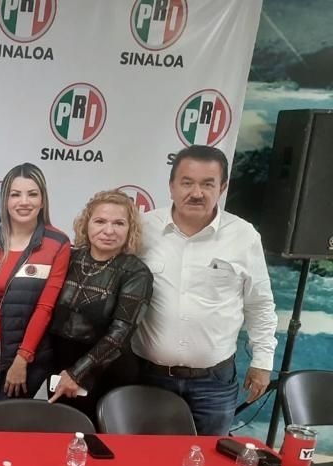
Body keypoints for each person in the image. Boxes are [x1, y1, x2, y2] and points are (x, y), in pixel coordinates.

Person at [132, 145, 277, 436]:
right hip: (147, 376)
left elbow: (259, 304)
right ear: (171, 186)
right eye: (187, 182)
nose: (196, 193)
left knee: (209, 458)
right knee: (145, 458)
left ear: (222, 188)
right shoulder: (143, 229)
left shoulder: (243, 236)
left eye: (208, 184)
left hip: (214, 384)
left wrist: (262, 362)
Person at [46, 190, 153, 422]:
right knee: (59, 432)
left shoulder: (136, 272)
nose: (109, 230)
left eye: (119, 223)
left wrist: (77, 373)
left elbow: (120, 334)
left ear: (130, 229)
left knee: (97, 438)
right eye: (100, 221)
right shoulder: (68, 258)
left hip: (106, 373)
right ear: (86, 224)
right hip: (60, 368)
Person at [0, 163, 70, 403]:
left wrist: (22, 359)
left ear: (42, 200)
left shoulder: (57, 243)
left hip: (27, 358)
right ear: (5, 201)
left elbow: (45, 308)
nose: (24, 202)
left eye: (32, 194)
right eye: (15, 194)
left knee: (4, 420)